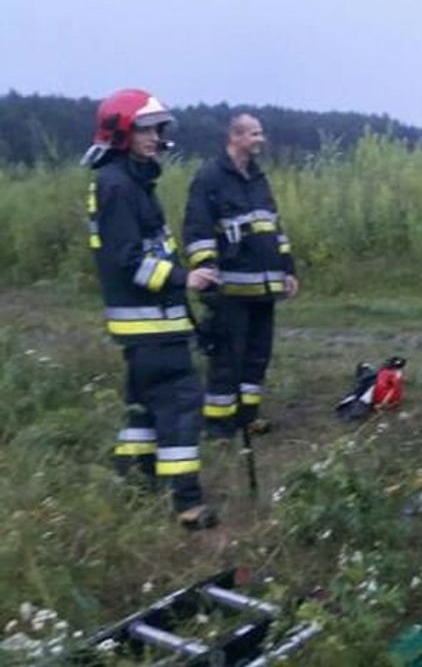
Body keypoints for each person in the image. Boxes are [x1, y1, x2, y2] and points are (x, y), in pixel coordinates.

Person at [82, 88, 220, 529]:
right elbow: (125, 262)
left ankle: (134, 485)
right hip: (149, 326)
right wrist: (186, 278)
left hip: (154, 324)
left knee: (143, 407)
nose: (156, 136)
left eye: (158, 128)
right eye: (146, 128)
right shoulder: (118, 186)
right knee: (181, 404)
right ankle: (188, 505)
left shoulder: (131, 181)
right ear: (122, 132)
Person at [183, 114, 298, 438]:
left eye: (261, 133)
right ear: (235, 136)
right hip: (230, 287)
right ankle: (219, 424)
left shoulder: (258, 177)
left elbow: (274, 226)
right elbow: (197, 227)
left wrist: (287, 268)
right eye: (254, 133)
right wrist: (205, 269)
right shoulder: (210, 177)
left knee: (257, 356)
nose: (261, 139)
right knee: (226, 358)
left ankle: (247, 417)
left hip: (264, 285)